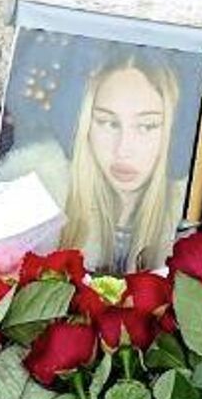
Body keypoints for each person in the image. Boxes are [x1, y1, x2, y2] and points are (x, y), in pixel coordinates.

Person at [58, 51, 186, 271]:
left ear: (172, 132)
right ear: (86, 125)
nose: (123, 149)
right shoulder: (47, 204)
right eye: (109, 123)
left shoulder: (188, 218)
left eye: (146, 126)